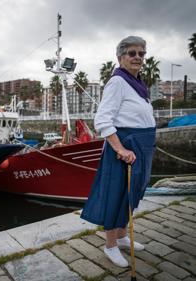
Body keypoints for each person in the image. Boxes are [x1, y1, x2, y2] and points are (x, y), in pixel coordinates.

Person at [80, 36, 156, 267]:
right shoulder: (118, 82)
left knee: (131, 194)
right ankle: (110, 245)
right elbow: (102, 120)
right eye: (132, 53)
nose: (137, 58)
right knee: (116, 195)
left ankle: (123, 236)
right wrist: (120, 148)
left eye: (141, 54)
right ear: (121, 57)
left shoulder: (137, 83)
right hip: (125, 149)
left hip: (142, 148)